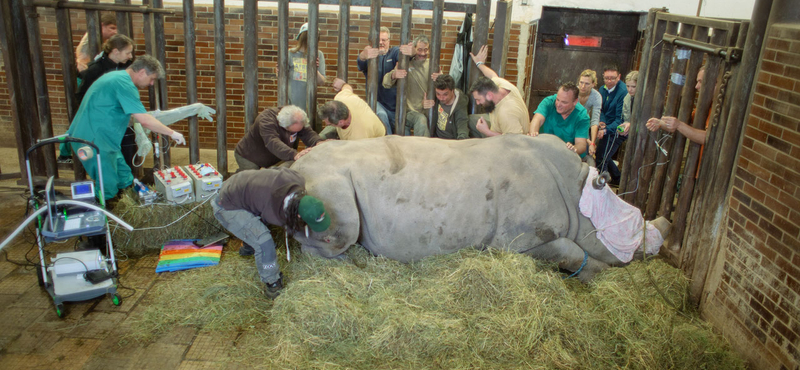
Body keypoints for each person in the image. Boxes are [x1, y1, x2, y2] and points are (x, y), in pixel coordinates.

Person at [67, 55, 186, 201]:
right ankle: (108, 216)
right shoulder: (124, 84)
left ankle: (130, 203)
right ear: (142, 72)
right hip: (95, 140)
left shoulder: (115, 77)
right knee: (107, 184)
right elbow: (144, 120)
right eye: (152, 78)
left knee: (124, 175)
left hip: (104, 139)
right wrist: (172, 133)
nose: (151, 83)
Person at [211, 167, 330, 298]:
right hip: (227, 204)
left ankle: (247, 246)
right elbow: (286, 225)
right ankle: (272, 282)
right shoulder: (272, 211)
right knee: (264, 241)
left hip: (241, 184)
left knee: (255, 217)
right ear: (299, 216)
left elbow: (279, 170)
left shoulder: (298, 179)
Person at [59, 34, 137, 165]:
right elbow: (82, 95)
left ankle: (127, 180)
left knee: (127, 148)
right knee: (106, 154)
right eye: (128, 53)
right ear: (116, 51)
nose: (130, 56)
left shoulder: (127, 66)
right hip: (104, 119)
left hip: (122, 116)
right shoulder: (95, 70)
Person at [356, 27, 413, 134]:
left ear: (389, 41)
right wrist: (363, 54)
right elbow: (360, 62)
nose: (381, 43)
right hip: (376, 103)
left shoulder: (394, 52)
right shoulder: (370, 56)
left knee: (404, 136)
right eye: (379, 40)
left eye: (384, 40)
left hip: (396, 106)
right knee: (381, 116)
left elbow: (406, 56)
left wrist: (412, 51)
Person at [234, 105, 321, 171]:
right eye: (291, 131)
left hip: (273, 157)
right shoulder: (266, 120)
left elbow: (307, 133)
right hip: (250, 155)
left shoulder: (297, 118)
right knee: (251, 180)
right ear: (283, 125)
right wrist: (293, 154)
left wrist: (318, 142)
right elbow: (272, 142)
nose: (294, 134)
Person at [468, 45, 530, 137]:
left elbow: (516, 141)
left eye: (478, 99)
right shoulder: (502, 86)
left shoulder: (507, 113)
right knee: (470, 120)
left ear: (489, 95)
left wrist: (487, 132)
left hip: (511, 144)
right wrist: (479, 63)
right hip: (501, 127)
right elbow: (492, 75)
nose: (477, 103)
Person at [382, 35, 432, 137]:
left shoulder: (433, 65)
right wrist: (393, 75)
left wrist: (439, 80)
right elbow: (385, 83)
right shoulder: (406, 64)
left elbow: (444, 89)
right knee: (419, 120)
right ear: (414, 49)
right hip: (408, 112)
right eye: (419, 50)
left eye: (426, 50)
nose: (423, 53)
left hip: (428, 110)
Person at [645, 67, 708, 145]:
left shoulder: (719, 109)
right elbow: (688, 124)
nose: (696, 86)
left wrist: (679, 125)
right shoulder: (704, 106)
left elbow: (709, 138)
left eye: (701, 82)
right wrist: (661, 123)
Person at [528, 82, 590, 156]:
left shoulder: (582, 116)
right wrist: (533, 134)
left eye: (564, 102)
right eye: (557, 99)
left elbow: (581, 144)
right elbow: (537, 119)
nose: (558, 104)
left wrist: (573, 148)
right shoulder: (549, 102)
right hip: (544, 149)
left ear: (575, 102)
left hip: (566, 155)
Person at [318, 78, 386, 140]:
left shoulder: (359, 136)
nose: (326, 124)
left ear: (341, 122)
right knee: (320, 138)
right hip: (348, 124)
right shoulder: (341, 98)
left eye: (329, 124)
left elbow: (357, 151)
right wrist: (343, 84)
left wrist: (336, 143)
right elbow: (347, 87)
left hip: (372, 141)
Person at [595, 65, 628, 185]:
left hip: (618, 130)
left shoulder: (623, 92)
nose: (609, 81)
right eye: (606, 78)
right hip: (607, 126)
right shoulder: (602, 89)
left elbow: (620, 119)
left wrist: (606, 130)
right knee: (603, 155)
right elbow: (601, 108)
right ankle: (618, 179)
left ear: (619, 77)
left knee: (601, 157)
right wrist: (602, 122)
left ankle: (602, 184)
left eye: (612, 78)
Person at [287, 22, 326, 113]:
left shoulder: (318, 54)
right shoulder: (290, 53)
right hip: (291, 105)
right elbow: (281, 76)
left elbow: (321, 81)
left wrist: (314, 69)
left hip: (310, 106)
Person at [423, 74, 469, 140]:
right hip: (436, 139)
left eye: (445, 94)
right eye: (438, 94)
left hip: (451, 141)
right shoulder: (434, 98)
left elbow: (462, 123)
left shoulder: (460, 104)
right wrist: (423, 103)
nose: (441, 98)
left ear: (452, 90)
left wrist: (461, 140)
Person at [577, 69, 602, 157]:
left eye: (587, 84)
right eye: (581, 82)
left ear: (593, 84)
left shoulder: (596, 96)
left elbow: (595, 120)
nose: (583, 86)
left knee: (586, 152)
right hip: (569, 122)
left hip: (583, 124)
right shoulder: (573, 92)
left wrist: (592, 143)